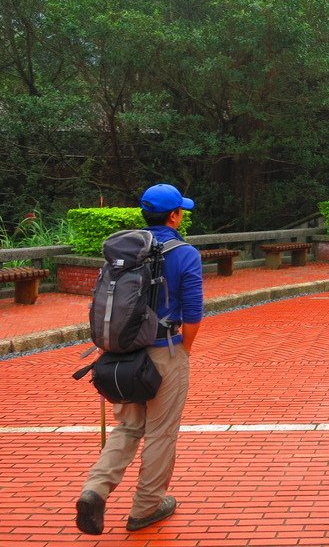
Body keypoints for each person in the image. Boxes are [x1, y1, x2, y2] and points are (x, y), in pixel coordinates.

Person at [75, 183, 204, 535]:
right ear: (175, 215)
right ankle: (147, 507)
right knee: (161, 432)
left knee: (129, 427)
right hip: (165, 350)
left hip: (121, 353)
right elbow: (193, 314)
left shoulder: (124, 250)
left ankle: (95, 489)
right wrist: (183, 351)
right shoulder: (184, 253)